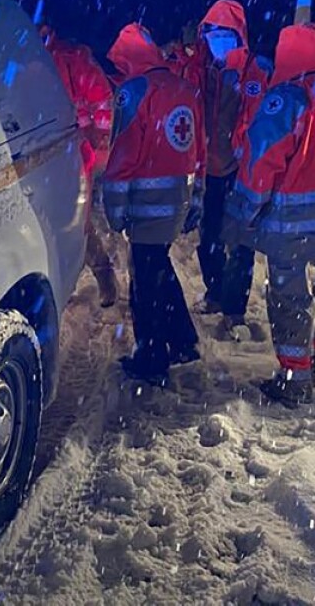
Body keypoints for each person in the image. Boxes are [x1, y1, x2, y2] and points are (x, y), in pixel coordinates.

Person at [226, 23, 315, 406]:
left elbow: (261, 162)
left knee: (290, 300)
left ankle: (294, 379)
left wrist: (242, 213)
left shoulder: (287, 98)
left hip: (290, 228)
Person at [103, 22, 206, 384]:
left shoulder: (134, 92)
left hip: (145, 205)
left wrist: (114, 209)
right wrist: (198, 197)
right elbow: (199, 149)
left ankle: (152, 356)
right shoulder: (185, 88)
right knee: (158, 267)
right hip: (177, 201)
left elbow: (123, 155)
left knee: (145, 283)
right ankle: (183, 341)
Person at [175, 0, 272, 332]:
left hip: (239, 170)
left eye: (224, 33)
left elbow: (260, 120)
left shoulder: (254, 71)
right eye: (212, 33)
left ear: (238, 35)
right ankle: (215, 293)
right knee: (209, 236)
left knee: (240, 244)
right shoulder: (200, 68)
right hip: (207, 168)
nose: (217, 39)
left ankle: (234, 310)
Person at [39, 23, 120, 307]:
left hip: (80, 154)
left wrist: (95, 139)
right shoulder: (27, 60)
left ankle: (104, 277)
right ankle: (65, 280)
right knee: (56, 220)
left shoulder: (71, 58)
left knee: (77, 220)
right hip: (48, 156)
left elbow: (103, 102)